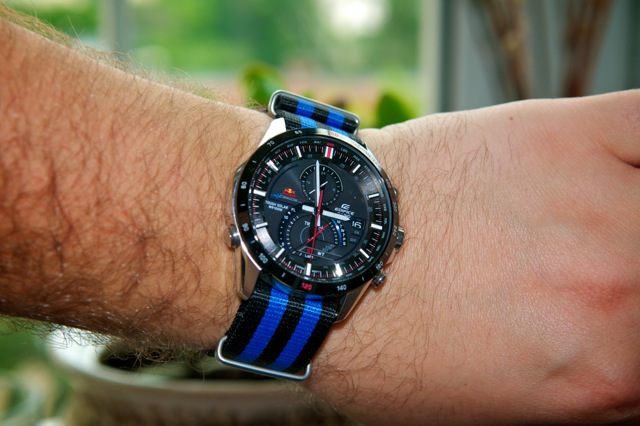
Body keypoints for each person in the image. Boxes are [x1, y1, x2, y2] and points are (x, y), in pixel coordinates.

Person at [1, 5, 639, 425]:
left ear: (387, 243)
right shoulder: (253, 226)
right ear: (240, 218)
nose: (311, 208)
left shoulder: (364, 240)